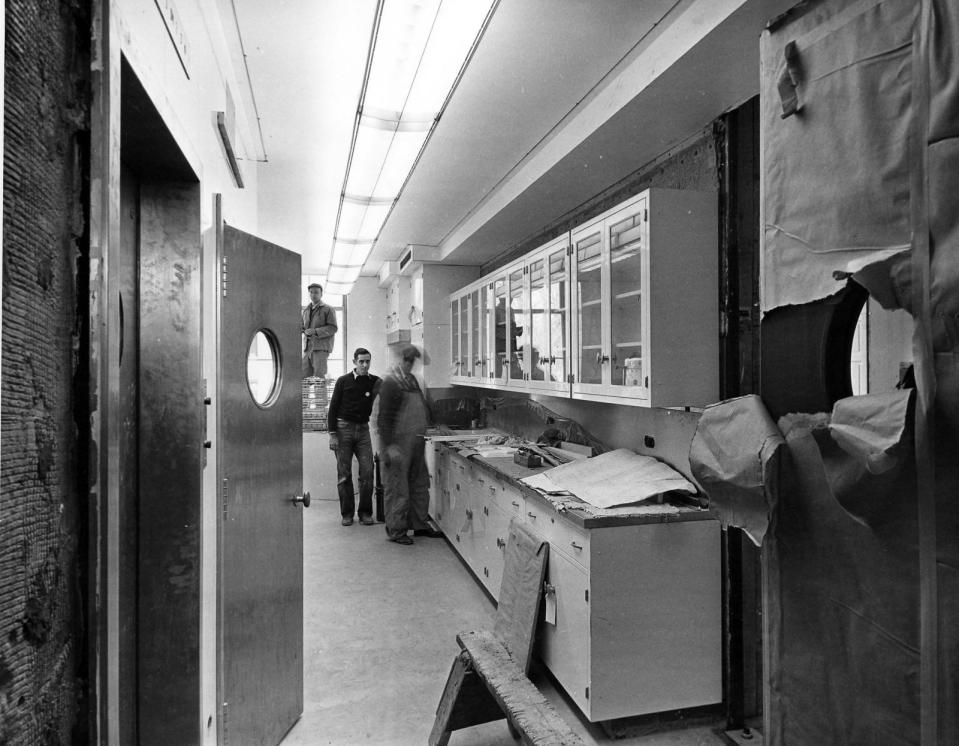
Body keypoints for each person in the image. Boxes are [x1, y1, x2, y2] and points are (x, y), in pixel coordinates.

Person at [376, 344, 442, 545]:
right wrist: (389, 446)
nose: (410, 365)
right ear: (401, 360)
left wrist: (437, 424)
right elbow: (383, 419)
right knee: (398, 490)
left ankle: (419, 525)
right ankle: (396, 531)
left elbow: (424, 406)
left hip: (416, 442)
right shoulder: (390, 383)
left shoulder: (412, 381)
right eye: (407, 360)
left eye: (412, 361)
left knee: (419, 485)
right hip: (397, 446)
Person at [327, 348, 381, 527]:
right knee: (344, 474)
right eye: (361, 362)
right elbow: (333, 408)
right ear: (354, 362)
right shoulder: (343, 381)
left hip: (363, 430)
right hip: (343, 430)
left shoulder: (374, 381)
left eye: (368, 361)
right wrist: (333, 435)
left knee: (367, 471)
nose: (365, 365)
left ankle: (365, 513)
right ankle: (347, 514)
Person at [301, 283, 338, 379]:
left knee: (320, 379)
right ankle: (303, 395)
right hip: (307, 349)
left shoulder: (328, 309)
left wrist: (315, 331)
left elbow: (333, 328)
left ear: (321, 294)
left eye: (316, 292)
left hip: (320, 349)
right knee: (303, 379)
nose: (313, 295)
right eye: (311, 292)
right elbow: (303, 327)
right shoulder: (306, 310)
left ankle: (321, 395)